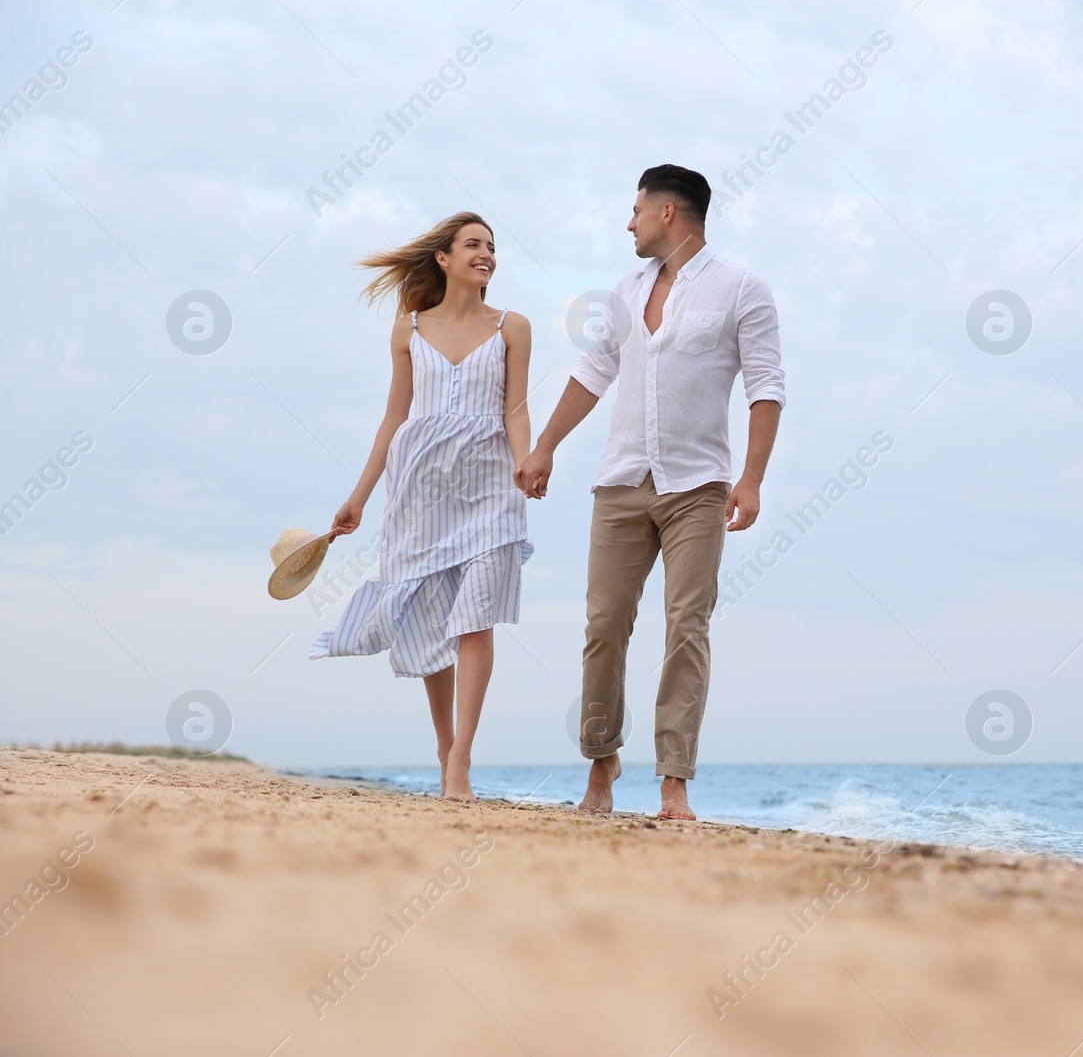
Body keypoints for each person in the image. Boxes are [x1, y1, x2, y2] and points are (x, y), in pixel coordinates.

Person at [518, 165, 784, 821]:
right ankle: (601, 763)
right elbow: (593, 370)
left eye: (635, 209)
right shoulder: (625, 290)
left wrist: (751, 477)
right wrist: (546, 442)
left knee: (686, 627)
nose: (627, 221)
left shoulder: (741, 288)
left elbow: (767, 386)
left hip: (699, 488)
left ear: (668, 213)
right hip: (620, 482)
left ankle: (673, 785)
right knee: (604, 625)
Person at [310, 212, 534, 802]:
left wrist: (527, 462)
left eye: (491, 246)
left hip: (491, 486)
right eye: (473, 244)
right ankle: (443, 745)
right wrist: (357, 498)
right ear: (444, 257)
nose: (486, 254)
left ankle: (460, 759)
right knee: (433, 623)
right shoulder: (407, 330)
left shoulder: (513, 327)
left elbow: (515, 410)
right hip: (420, 489)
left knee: (477, 617)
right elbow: (394, 419)